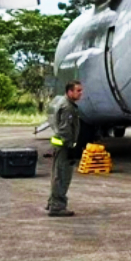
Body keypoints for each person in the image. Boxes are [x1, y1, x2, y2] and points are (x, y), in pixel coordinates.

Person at [46, 80, 84, 217]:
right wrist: (71, 146)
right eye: (78, 90)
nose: (81, 93)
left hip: (60, 145)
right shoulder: (68, 107)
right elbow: (65, 130)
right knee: (62, 176)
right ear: (70, 92)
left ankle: (52, 202)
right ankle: (57, 206)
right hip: (64, 146)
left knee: (57, 174)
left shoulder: (64, 103)